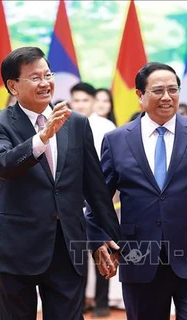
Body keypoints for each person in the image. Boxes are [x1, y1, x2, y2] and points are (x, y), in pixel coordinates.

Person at [86, 62, 187, 320]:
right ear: (140, 95)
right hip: (139, 258)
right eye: (158, 90)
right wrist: (97, 240)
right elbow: (98, 199)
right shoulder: (116, 140)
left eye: (173, 90)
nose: (167, 97)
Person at [0, 46, 120, 320]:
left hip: (67, 248)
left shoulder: (76, 122)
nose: (45, 83)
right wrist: (41, 138)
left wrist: (105, 236)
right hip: (16, 249)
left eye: (48, 74)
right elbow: (2, 166)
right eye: (35, 77)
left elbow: (93, 186)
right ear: (13, 86)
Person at [70, 81, 116, 317]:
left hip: (98, 198)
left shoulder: (106, 126)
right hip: (71, 199)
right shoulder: (62, 124)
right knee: (75, 255)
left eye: (85, 100)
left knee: (102, 250)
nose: (80, 105)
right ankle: (78, 303)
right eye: (76, 100)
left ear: (93, 102)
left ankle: (101, 302)